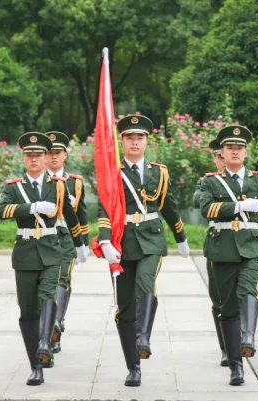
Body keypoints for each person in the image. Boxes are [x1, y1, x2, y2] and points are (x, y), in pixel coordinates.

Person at [95, 114, 190, 387]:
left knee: (145, 283)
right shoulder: (112, 172)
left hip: (152, 240)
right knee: (125, 308)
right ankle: (133, 366)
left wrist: (180, 236)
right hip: (122, 241)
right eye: (129, 137)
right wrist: (105, 241)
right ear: (121, 141)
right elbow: (104, 209)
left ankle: (143, 336)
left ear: (147, 141)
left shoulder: (159, 172)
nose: (135, 142)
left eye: (140, 137)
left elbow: (169, 206)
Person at [0, 132, 88, 385]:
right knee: (27, 312)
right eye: (29, 155)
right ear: (24, 158)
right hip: (25, 252)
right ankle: (35, 365)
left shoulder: (58, 185)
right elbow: (2, 211)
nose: (34, 159)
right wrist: (32, 208)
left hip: (52, 249)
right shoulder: (13, 187)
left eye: (38, 155)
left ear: (46, 157)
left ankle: (45, 343)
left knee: (48, 294)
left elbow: (70, 216)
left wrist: (80, 244)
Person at [198, 125, 258, 386]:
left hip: (252, 246)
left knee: (248, 290)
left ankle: (248, 337)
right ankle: (235, 366)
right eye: (230, 148)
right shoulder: (210, 181)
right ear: (222, 151)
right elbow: (206, 208)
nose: (234, 151)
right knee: (228, 307)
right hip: (223, 248)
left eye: (239, 148)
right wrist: (238, 206)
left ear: (245, 152)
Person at [44, 131, 89, 354]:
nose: (53, 157)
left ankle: (55, 325)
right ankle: (53, 324)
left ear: (64, 156)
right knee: (46, 284)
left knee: (62, 280)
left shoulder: (75, 183)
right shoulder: (37, 181)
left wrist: (84, 244)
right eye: (49, 153)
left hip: (66, 239)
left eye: (57, 153)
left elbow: (81, 214)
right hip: (42, 238)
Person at [192, 139, 228, 367]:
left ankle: (242, 339)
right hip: (217, 243)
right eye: (219, 156)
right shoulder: (207, 181)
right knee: (218, 299)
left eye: (226, 155)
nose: (224, 160)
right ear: (215, 158)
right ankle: (225, 347)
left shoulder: (249, 181)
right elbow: (198, 201)